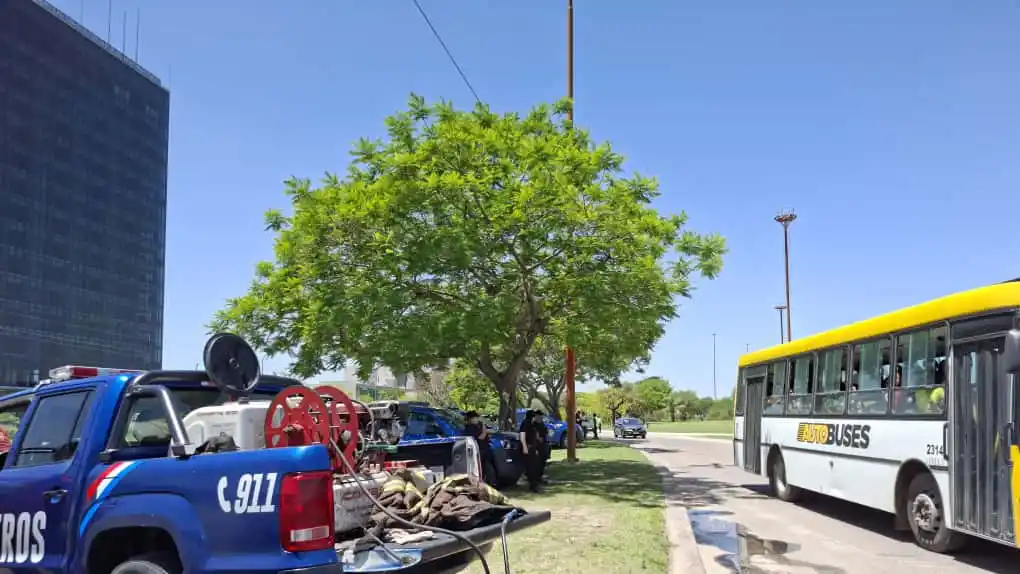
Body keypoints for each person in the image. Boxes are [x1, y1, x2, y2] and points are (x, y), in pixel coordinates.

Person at [463, 410, 496, 486]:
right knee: (482, 468)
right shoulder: (469, 428)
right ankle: (488, 482)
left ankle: (491, 482)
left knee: (488, 466)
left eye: (477, 418)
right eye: (474, 418)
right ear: (470, 419)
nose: (476, 419)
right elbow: (481, 437)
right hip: (478, 450)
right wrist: (484, 430)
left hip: (485, 449)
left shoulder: (480, 425)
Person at [518, 409, 543, 493]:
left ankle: (534, 484)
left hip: (532, 447)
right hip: (527, 447)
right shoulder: (525, 424)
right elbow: (522, 436)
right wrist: (524, 447)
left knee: (535, 466)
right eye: (534, 416)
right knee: (531, 467)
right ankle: (534, 486)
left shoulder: (533, 424)